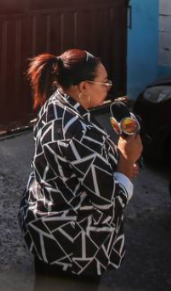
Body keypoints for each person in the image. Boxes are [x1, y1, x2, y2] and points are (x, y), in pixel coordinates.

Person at [19, 49, 142, 289]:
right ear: (83, 87)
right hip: (73, 244)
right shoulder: (79, 134)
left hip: (45, 224)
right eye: (104, 82)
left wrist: (113, 167)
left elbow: (75, 164)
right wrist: (126, 162)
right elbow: (109, 201)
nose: (109, 86)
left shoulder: (56, 103)